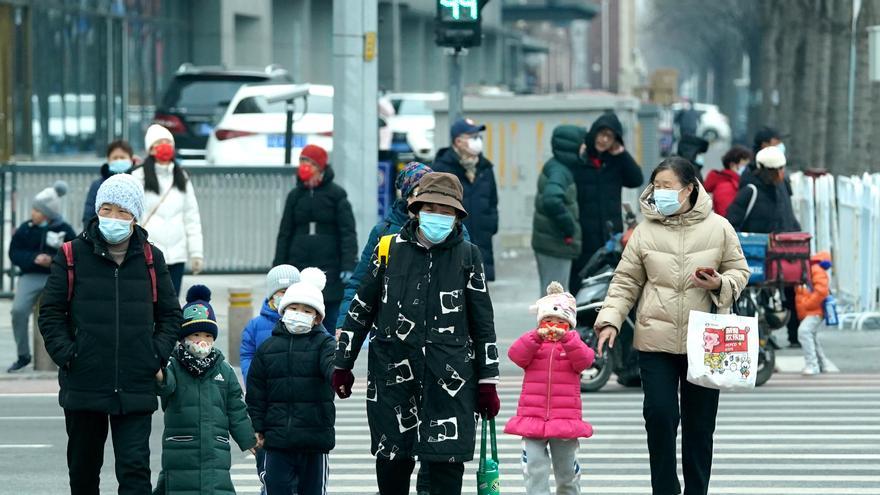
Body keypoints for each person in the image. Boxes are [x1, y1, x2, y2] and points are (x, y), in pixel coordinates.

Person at [333, 172, 501, 495]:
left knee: (445, 469)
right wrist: (343, 363)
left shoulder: (468, 256)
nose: (438, 217)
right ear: (415, 209)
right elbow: (360, 310)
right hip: (393, 378)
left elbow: (484, 324)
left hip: (450, 381)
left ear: (457, 217)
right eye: (431, 209)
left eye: (446, 211)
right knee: (393, 464)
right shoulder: (388, 250)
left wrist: (487, 382)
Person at [594, 157, 750, 495]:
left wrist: (719, 283)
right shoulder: (645, 232)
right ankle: (665, 489)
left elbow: (740, 272)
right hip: (655, 341)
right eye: (656, 187)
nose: (660, 193)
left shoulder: (719, 228)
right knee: (659, 417)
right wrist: (610, 320)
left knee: (699, 426)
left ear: (690, 188)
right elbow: (625, 282)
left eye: (668, 187)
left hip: (704, 342)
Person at [38, 174, 182, 494]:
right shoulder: (72, 254)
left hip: (135, 383)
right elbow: (50, 313)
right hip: (84, 383)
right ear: (96, 210)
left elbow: (171, 314)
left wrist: (154, 354)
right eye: (107, 209)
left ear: (134, 217)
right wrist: (69, 354)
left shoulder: (150, 258)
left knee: (135, 474)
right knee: (84, 473)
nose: (113, 218)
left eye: (123, 211)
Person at [154, 285, 258, 495]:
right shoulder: (174, 364)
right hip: (182, 448)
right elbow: (166, 387)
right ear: (183, 338)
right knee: (181, 488)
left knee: (216, 488)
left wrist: (249, 439)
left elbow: (235, 408)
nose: (202, 341)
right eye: (196, 335)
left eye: (208, 336)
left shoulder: (224, 369)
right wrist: (157, 369)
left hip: (215, 450)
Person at [246, 268, 337, 495]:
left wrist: (339, 375)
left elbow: (332, 366)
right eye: (294, 308)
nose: (299, 313)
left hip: (314, 441)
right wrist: (257, 427)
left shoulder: (324, 345)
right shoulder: (268, 348)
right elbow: (257, 393)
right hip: (277, 442)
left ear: (317, 318)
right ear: (283, 311)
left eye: (307, 310)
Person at [505, 282, 595, 495]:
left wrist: (569, 340)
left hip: (564, 419)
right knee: (534, 467)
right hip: (533, 417)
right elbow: (515, 355)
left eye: (560, 323)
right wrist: (535, 337)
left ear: (569, 325)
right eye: (547, 321)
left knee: (566, 471)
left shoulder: (573, 344)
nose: (553, 326)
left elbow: (585, 361)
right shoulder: (533, 344)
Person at [273, 144, 358, 333]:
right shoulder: (295, 196)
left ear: (320, 167)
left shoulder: (336, 195)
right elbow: (285, 233)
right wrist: (279, 265)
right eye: (302, 161)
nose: (304, 166)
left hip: (330, 265)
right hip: (299, 262)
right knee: (300, 310)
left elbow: (347, 232)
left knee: (330, 314)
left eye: (309, 162)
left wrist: (348, 264)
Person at [729, 145, 803, 348]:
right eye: (775, 170)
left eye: (782, 169)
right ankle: (756, 338)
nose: (780, 174)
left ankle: (794, 336)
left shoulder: (783, 186)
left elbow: (789, 216)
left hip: (782, 253)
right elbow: (731, 222)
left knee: (791, 293)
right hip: (756, 256)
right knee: (756, 299)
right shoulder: (750, 191)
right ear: (762, 169)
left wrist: (796, 237)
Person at [239, 263, 300, 494]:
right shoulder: (256, 326)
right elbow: (246, 355)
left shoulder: (306, 321)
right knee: (267, 462)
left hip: (298, 403)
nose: (284, 298)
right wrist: (253, 380)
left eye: (290, 292)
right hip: (266, 403)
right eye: (279, 293)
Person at [7, 181, 76, 372]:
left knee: (70, 312)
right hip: (30, 275)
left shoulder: (65, 230)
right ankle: (23, 355)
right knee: (18, 311)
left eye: (37, 210)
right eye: (33, 209)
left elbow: (75, 254)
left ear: (48, 213)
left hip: (55, 276)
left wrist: (53, 260)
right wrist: (33, 258)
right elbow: (14, 253)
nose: (33, 213)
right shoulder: (26, 228)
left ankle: (68, 352)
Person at [570, 112, 643, 293]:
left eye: (609, 137)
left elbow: (636, 179)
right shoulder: (580, 159)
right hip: (585, 236)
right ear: (594, 133)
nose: (603, 140)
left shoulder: (616, 163)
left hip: (610, 237)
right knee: (580, 285)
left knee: (608, 288)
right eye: (601, 134)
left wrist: (622, 154)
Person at [131, 124, 204, 296]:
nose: (165, 147)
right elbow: (135, 217)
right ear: (151, 149)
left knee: (171, 301)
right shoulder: (138, 177)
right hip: (149, 255)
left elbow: (191, 217)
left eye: (168, 142)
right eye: (159, 143)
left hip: (177, 255)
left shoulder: (182, 177)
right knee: (149, 300)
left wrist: (196, 253)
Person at [432, 118, 499, 281]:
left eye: (478, 136)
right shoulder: (441, 168)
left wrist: (490, 225)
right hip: (452, 245)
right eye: (472, 136)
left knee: (479, 296)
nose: (478, 141)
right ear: (458, 141)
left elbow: (492, 201)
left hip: (481, 244)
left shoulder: (485, 168)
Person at [531, 125, 583, 295]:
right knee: (554, 299)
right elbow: (552, 199)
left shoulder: (559, 167)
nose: (585, 148)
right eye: (582, 144)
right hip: (555, 244)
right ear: (572, 145)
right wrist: (569, 228)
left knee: (552, 296)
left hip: (552, 242)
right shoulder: (559, 171)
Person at [83, 140, 135, 229]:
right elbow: (89, 216)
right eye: (115, 158)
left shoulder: (138, 183)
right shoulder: (98, 185)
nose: (119, 161)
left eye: (122, 157)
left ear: (131, 159)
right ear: (108, 160)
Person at [795, 252, 832, 376]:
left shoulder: (814, 269)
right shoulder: (813, 269)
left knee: (804, 332)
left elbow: (822, 291)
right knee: (812, 337)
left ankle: (812, 365)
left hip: (814, 311)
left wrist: (807, 304)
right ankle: (822, 364)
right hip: (812, 311)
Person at [704, 146, 751, 217]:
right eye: (744, 165)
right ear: (732, 165)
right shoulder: (725, 187)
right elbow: (727, 215)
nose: (747, 170)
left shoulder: (735, 183)